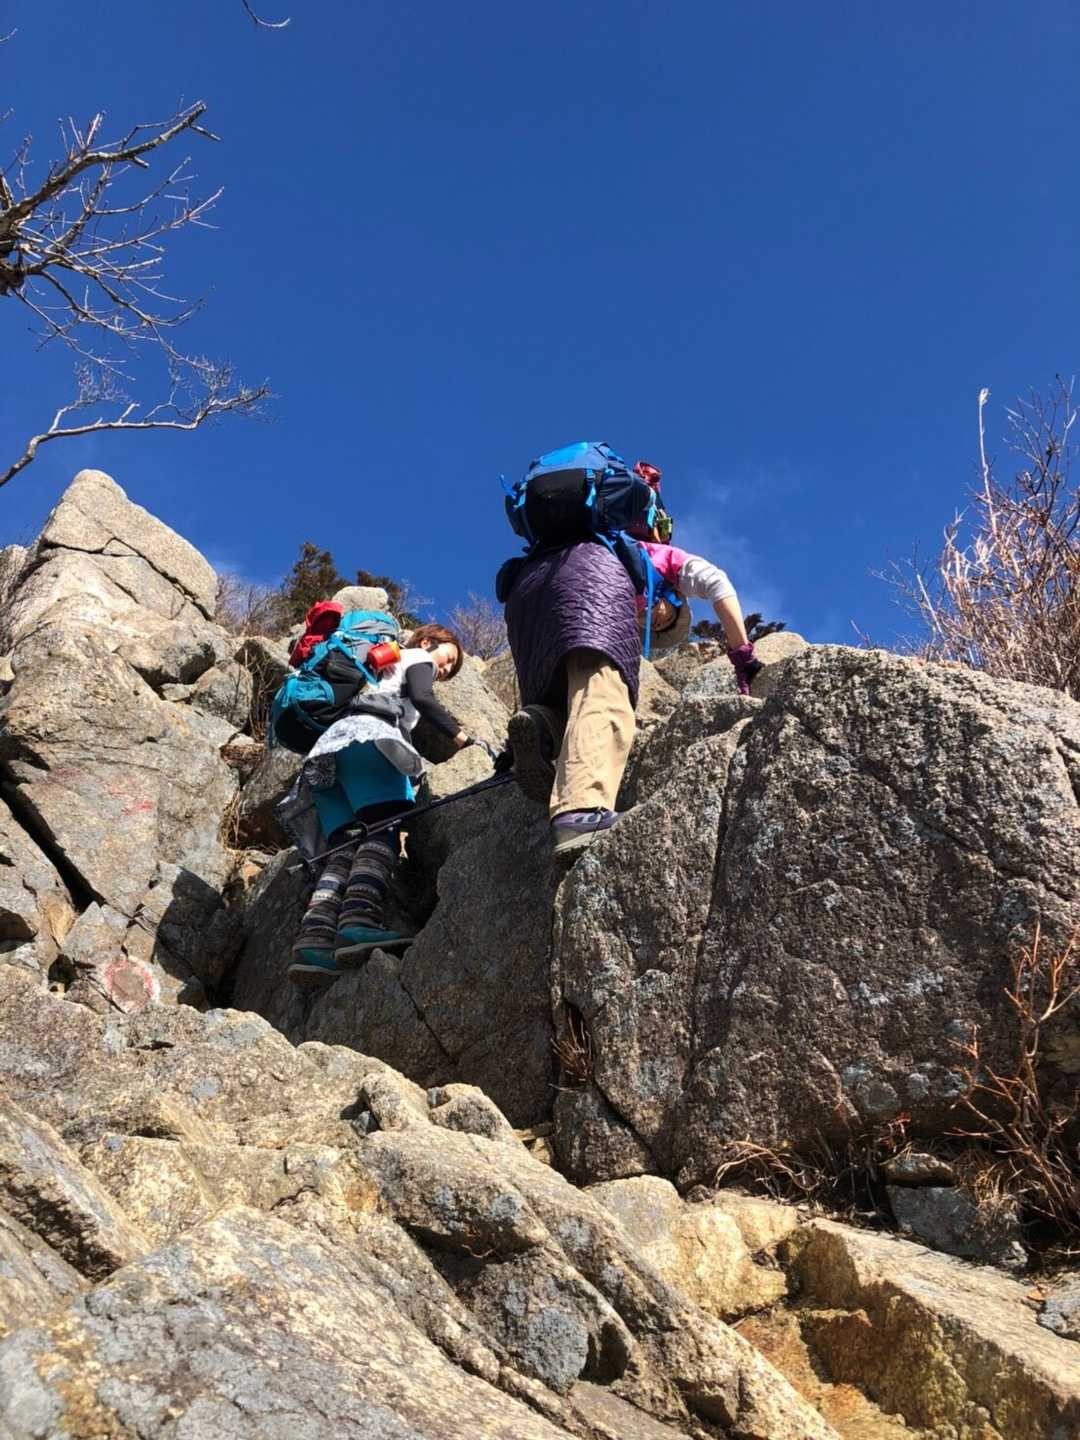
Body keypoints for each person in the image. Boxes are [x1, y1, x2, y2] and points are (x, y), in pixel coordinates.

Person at [284, 621, 475, 982]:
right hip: (368, 741)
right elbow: (423, 698)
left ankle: (314, 941)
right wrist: (462, 738)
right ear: (428, 642)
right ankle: (358, 921)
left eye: (449, 669)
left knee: (342, 849)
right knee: (382, 831)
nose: (444, 669)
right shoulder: (417, 657)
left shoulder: (378, 664)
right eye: (447, 659)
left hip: (326, 756)